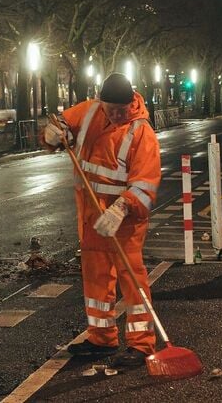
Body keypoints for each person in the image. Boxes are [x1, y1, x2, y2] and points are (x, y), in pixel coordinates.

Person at [42, 73, 162, 367]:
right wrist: (52, 135)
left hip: (124, 222)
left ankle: (141, 344)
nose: (116, 115)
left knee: (132, 280)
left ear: (131, 102)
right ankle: (102, 338)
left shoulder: (141, 132)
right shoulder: (91, 110)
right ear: (102, 102)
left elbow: (145, 185)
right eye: (111, 109)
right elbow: (62, 126)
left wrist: (121, 208)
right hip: (92, 216)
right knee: (96, 279)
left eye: (121, 109)